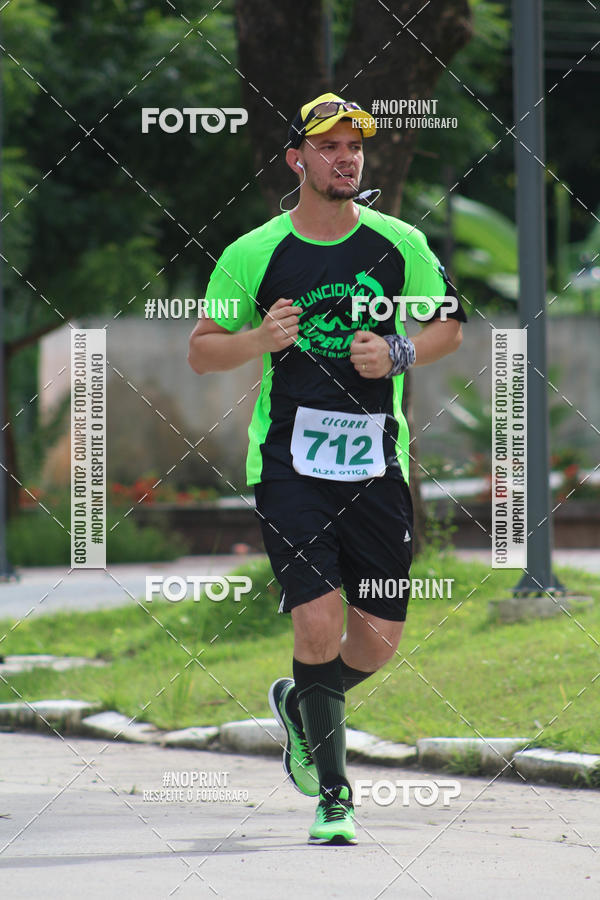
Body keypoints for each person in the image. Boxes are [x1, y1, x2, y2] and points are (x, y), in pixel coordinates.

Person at [188, 91, 466, 845]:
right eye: (330, 146)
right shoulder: (254, 251)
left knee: (376, 641)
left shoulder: (399, 240)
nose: (347, 158)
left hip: (377, 463)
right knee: (317, 619)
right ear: (297, 159)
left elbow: (448, 326)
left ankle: (300, 704)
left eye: (356, 147)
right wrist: (259, 341)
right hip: (289, 466)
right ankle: (334, 797)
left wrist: (399, 351)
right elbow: (202, 347)